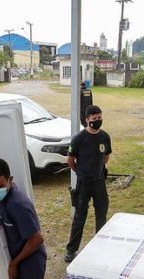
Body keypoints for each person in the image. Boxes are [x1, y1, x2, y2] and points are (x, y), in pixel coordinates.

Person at [64, 104, 112, 263]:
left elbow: (105, 157)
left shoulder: (105, 137)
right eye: (94, 119)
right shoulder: (79, 138)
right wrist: (80, 171)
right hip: (83, 183)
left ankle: (100, 246)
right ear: (87, 120)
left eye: (99, 118)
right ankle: (71, 250)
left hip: (99, 182)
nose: (98, 121)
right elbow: (70, 160)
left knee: (101, 215)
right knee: (79, 218)